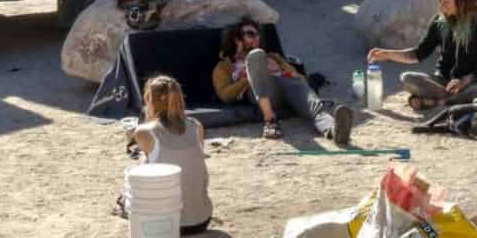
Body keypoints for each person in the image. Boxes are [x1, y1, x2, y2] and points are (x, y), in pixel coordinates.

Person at [368, 0, 477, 112]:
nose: (441, 5)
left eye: (447, 0)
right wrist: (388, 54)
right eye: (441, 0)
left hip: (472, 82)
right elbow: (419, 53)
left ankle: (439, 100)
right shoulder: (439, 23)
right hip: (443, 82)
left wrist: (466, 80)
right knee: (407, 78)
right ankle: (454, 100)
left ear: (463, 0)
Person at [211, 16, 353, 144]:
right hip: (265, 93)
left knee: (312, 105)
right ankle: (270, 121)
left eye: (257, 34)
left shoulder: (273, 57)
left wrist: (281, 70)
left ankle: (333, 130)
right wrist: (248, 78)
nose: (256, 38)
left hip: (288, 88)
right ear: (237, 39)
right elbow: (224, 95)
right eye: (250, 34)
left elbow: (301, 79)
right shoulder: (224, 67)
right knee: (256, 57)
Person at [131, 76, 212, 235]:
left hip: (169, 224)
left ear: (150, 100)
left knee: (141, 167)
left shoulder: (144, 132)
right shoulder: (197, 126)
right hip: (202, 219)